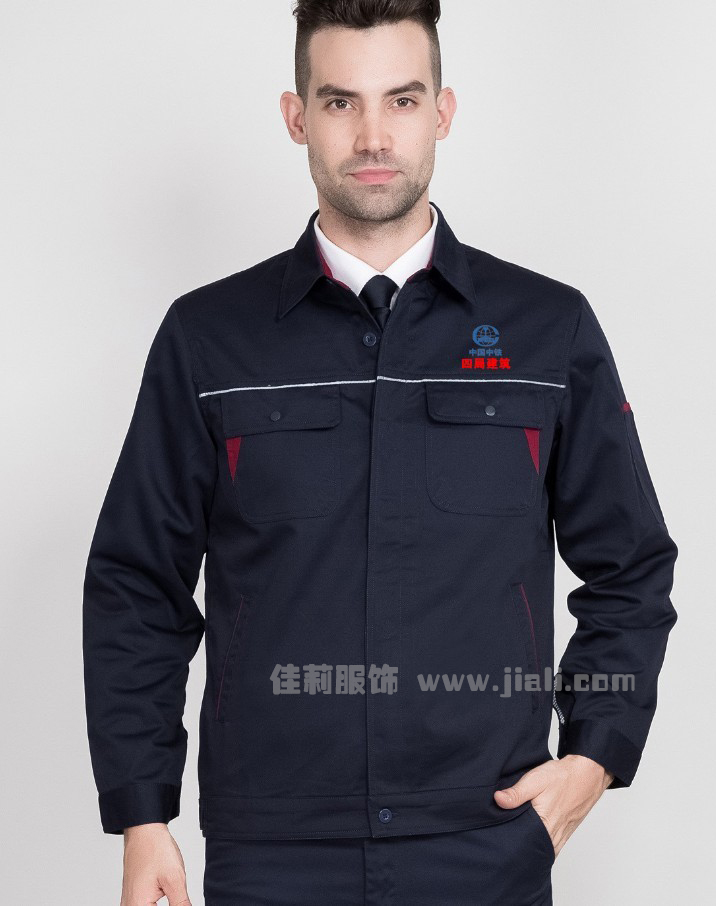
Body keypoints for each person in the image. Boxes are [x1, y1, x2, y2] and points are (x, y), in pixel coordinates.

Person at [82, 1, 679, 903]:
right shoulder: (208, 340)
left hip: (485, 837)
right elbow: (137, 584)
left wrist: (595, 756)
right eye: (340, 102)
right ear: (297, 117)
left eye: (402, 100)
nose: (372, 136)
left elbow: (631, 566)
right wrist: (141, 814)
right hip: (273, 849)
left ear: (443, 112)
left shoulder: (546, 330)